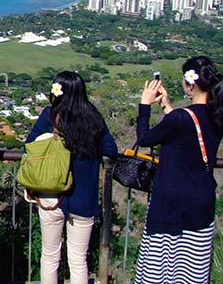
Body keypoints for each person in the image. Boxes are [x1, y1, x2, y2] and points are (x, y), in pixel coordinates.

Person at [134, 56, 223, 284]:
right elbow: (189, 132)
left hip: (171, 205)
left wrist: (145, 104)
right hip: (201, 203)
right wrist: (167, 107)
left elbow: (144, 138)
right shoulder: (216, 116)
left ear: (190, 84)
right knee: (191, 271)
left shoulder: (180, 118)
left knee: (161, 269)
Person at [26, 71, 116, 284]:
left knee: (49, 256)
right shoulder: (93, 117)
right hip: (84, 198)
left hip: (52, 194)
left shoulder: (50, 115)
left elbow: (30, 144)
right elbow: (110, 149)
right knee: (78, 260)